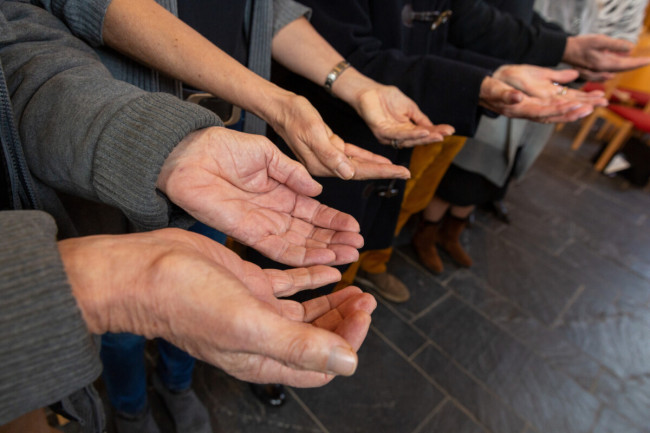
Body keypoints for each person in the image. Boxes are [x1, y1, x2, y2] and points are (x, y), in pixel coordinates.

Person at [0, 2, 375, 431]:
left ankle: (178, 384)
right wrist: (108, 286)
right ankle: (129, 407)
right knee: (122, 333)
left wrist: (168, 149)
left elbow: (17, 53)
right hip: (97, 182)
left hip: (207, 161)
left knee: (216, 287)